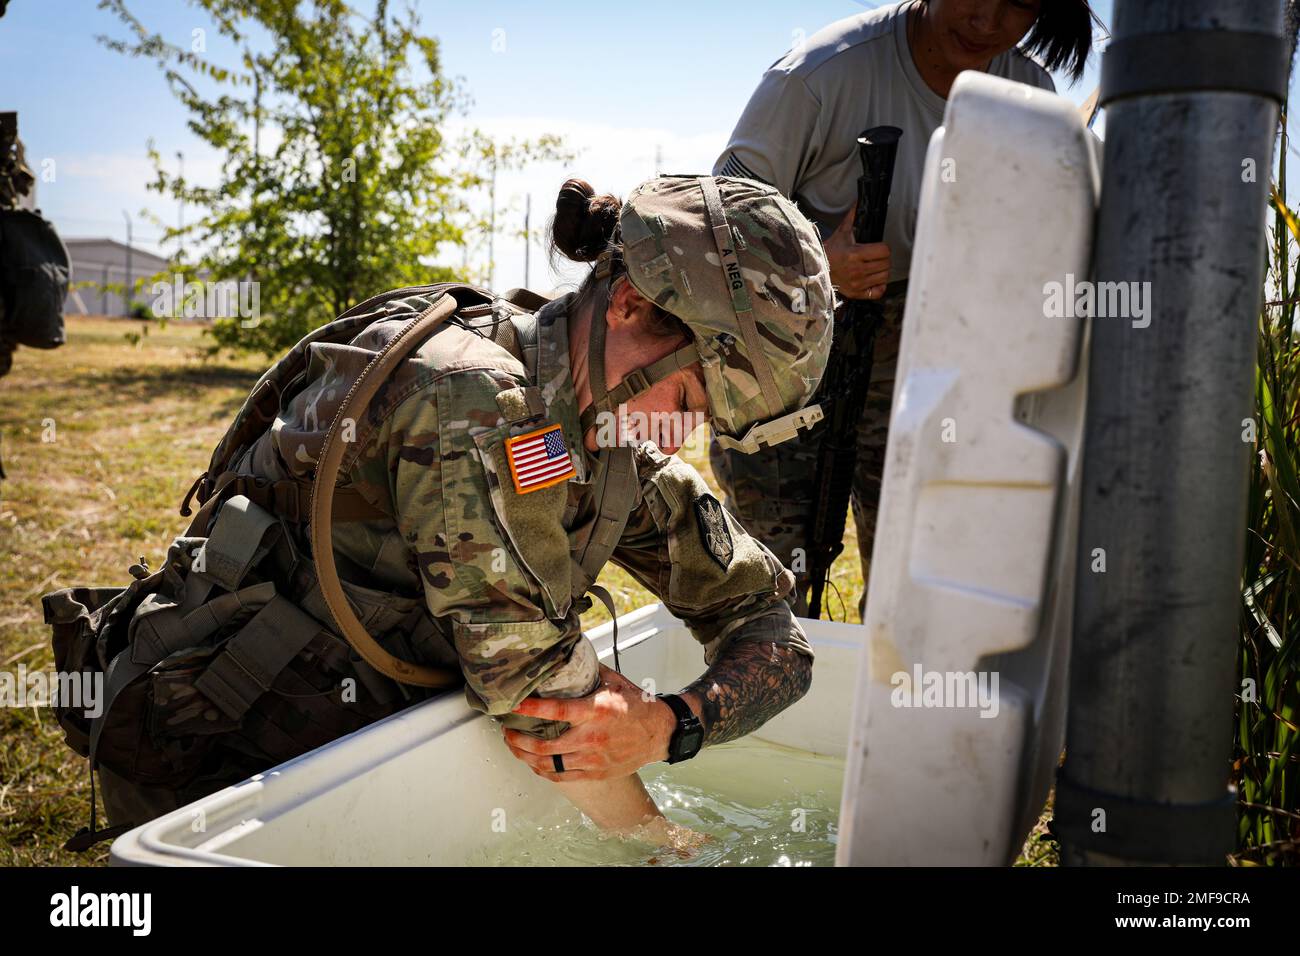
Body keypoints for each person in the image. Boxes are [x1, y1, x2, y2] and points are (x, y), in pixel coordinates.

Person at [86, 174, 834, 846]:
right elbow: (547, 704)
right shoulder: (470, 397)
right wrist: (668, 847)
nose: (685, 433)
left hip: (353, 748)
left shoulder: (610, 439)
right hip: (220, 766)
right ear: (632, 306)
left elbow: (773, 627)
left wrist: (676, 724)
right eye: (689, 397)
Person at [711, 0, 1098, 616]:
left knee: (915, 589)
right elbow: (709, 227)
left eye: (1020, 3)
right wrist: (814, 263)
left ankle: (881, 708)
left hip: (933, 354)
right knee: (773, 586)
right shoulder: (817, 76)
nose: (988, 20)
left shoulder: (1028, 96)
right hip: (783, 346)